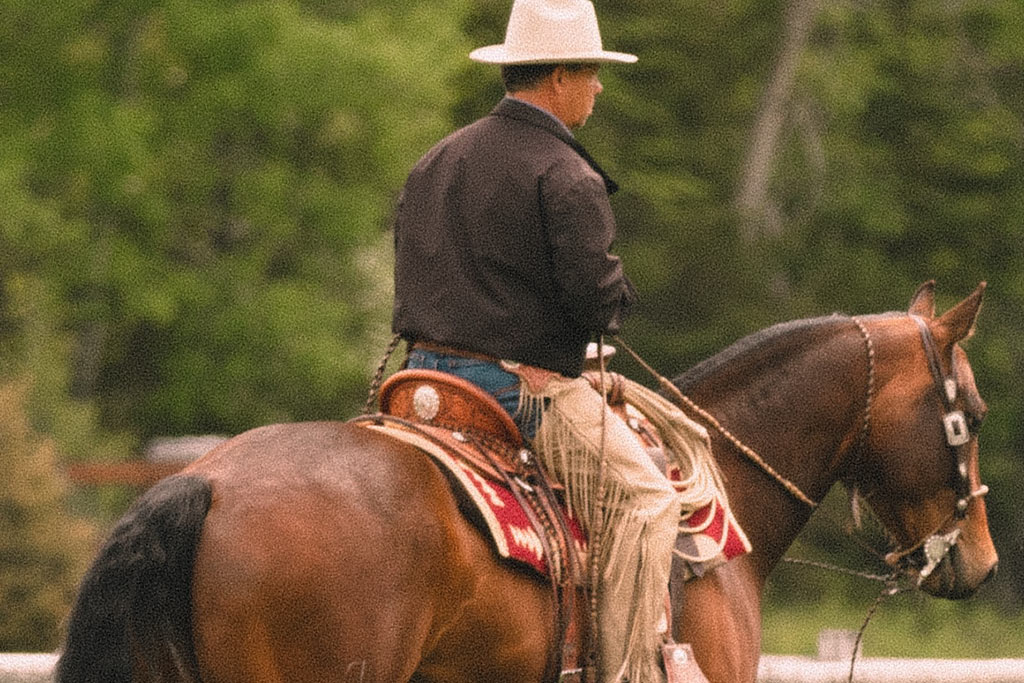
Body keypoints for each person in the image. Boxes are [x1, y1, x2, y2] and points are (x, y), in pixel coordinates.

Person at [391, 1, 680, 681]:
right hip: (514, 390)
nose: (599, 88)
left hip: (419, 385)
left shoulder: (435, 160)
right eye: (592, 73)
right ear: (558, 79)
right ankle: (627, 675)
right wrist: (615, 300)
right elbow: (597, 300)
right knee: (649, 499)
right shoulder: (566, 174)